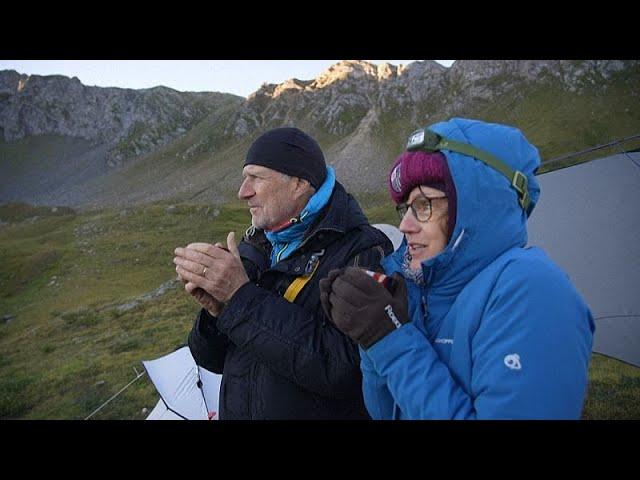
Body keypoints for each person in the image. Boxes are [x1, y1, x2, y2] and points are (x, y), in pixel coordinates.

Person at [320, 118, 595, 419]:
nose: (405, 225)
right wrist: (369, 335)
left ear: (476, 203)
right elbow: (385, 412)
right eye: (407, 207)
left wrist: (390, 339)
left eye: (425, 205)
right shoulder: (424, 296)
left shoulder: (531, 288)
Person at [173, 127, 393, 419]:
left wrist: (239, 297)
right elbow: (211, 360)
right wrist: (216, 312)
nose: (243, 192)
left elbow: (345, 369)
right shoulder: (256, 245)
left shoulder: (362, 249)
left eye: (256, 178)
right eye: (243, 177)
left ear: (300, 183)